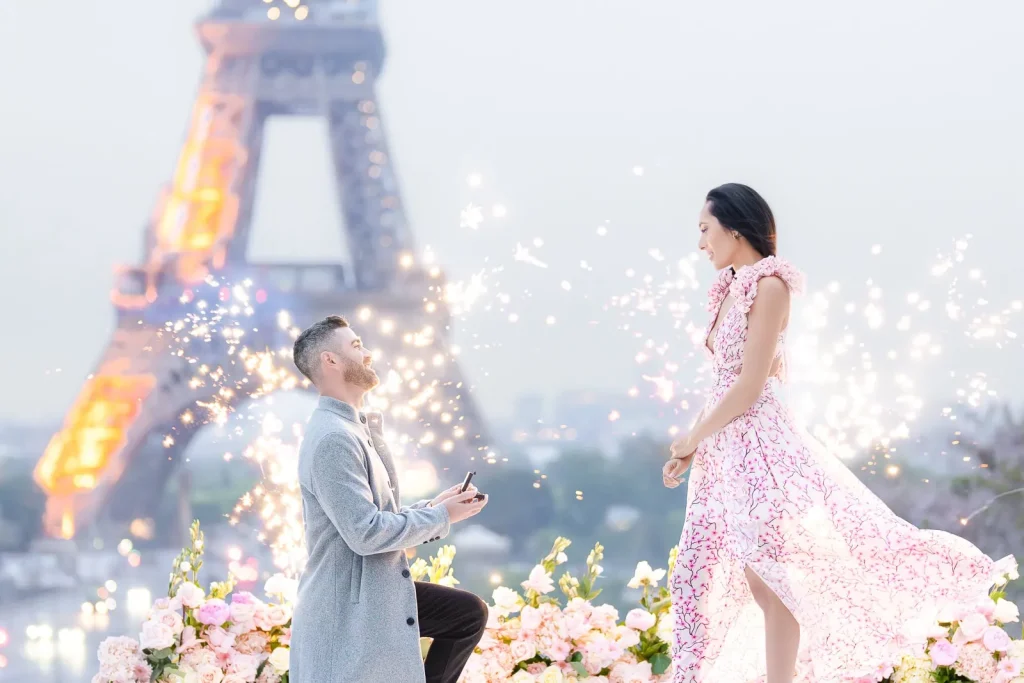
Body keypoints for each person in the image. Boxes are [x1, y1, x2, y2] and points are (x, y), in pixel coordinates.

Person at [662, 183, 1013, 683]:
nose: (700, 242)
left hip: (759, 446)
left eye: (705, 228)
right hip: (724, 447)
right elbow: (725, 380)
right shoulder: (729, 287)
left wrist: (693, 437)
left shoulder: (770, 285)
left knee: (771, 574)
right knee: (728, 576)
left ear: (735, 228)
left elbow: (749, 384)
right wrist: (697, 448)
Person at [289, 315, 490, 683]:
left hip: (366, 595)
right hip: (350, 606)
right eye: (355, 346)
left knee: (467, 614)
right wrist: (441, 517)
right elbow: (365, 533)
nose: (367, 354)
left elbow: (372, 516)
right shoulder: (334, 438)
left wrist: (433, 509)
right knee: (467, 615)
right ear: (329, 361)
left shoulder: (349, 428)